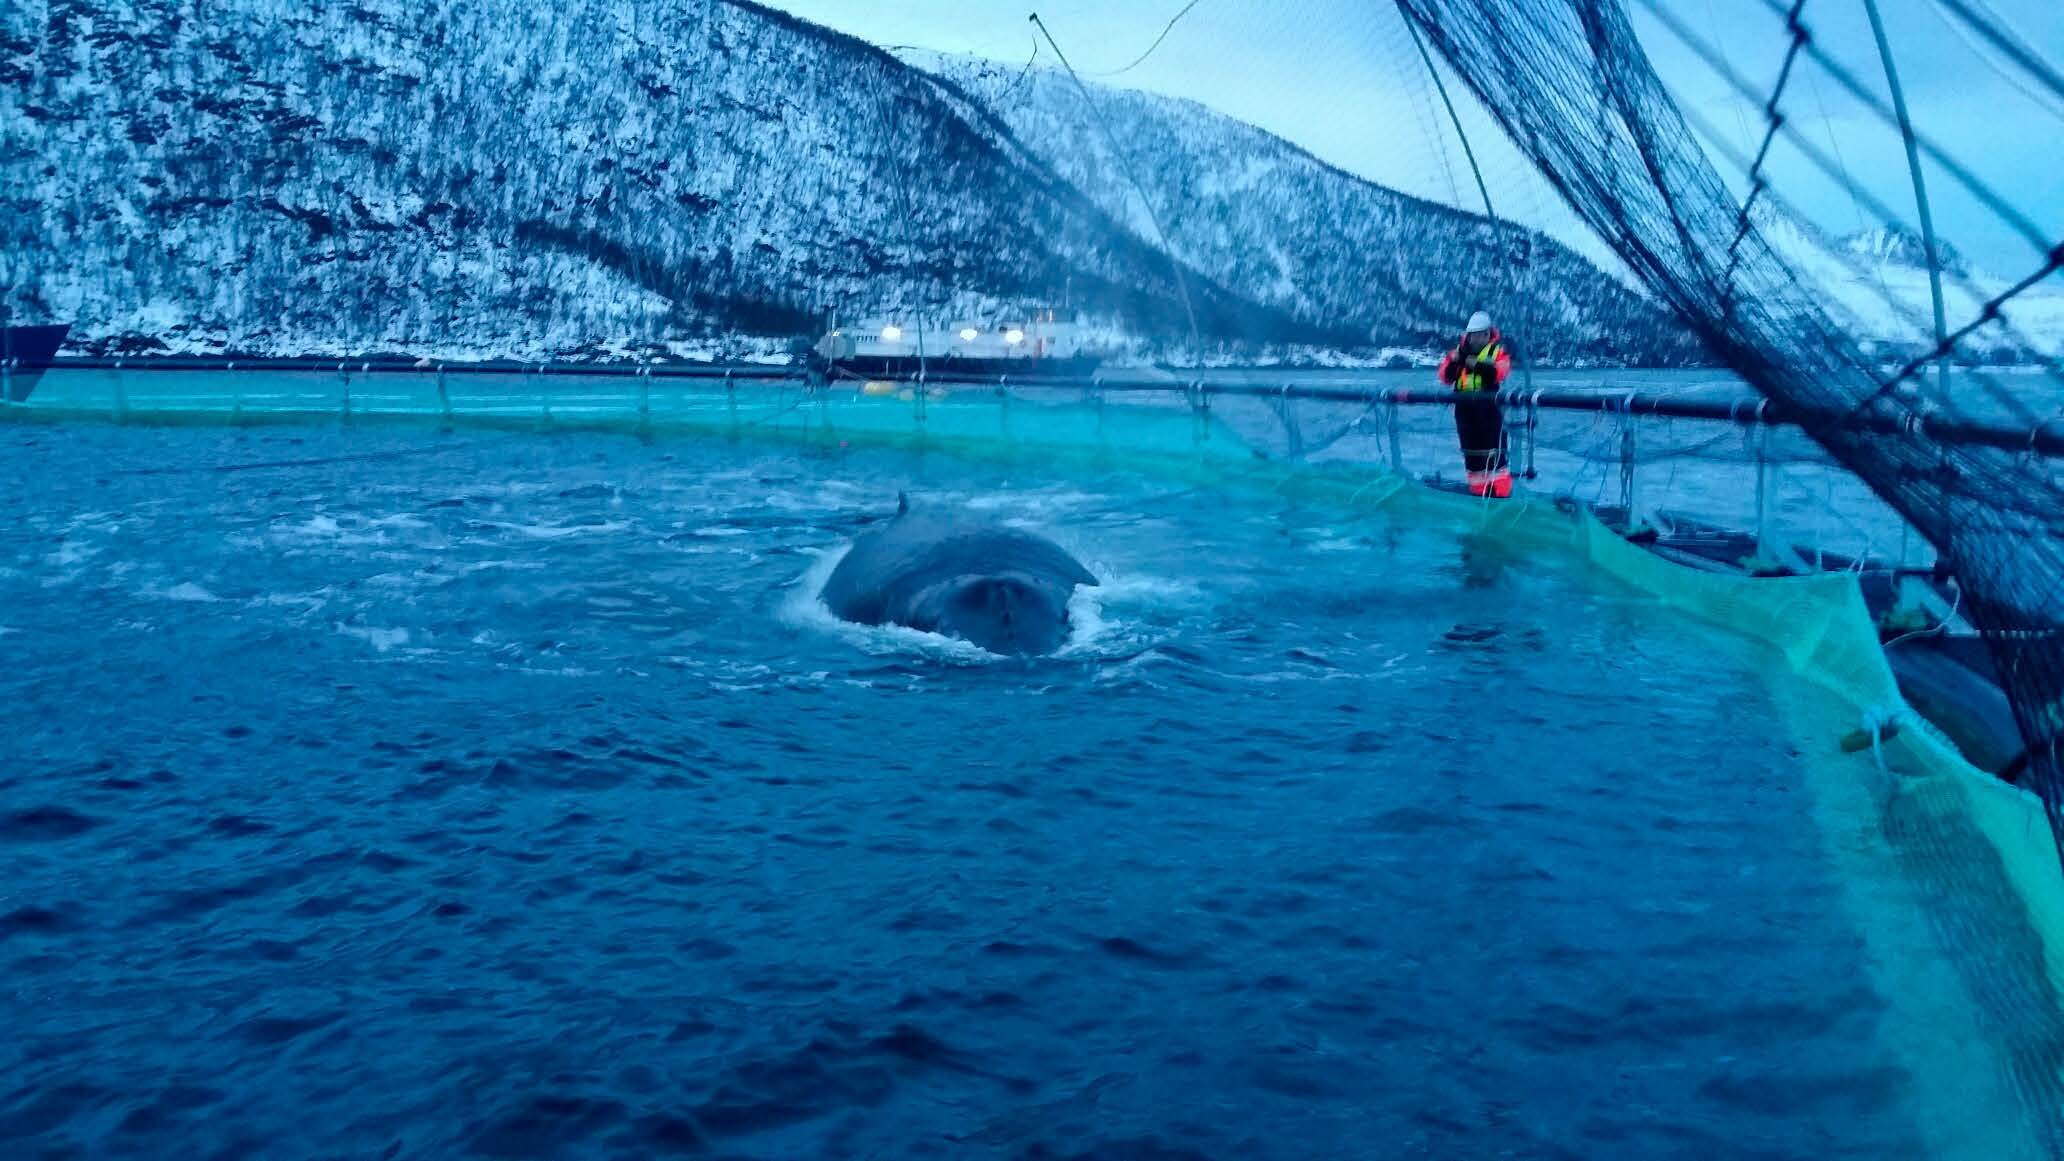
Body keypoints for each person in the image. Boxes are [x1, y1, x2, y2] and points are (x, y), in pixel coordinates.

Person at [1436, 310, 1513, 498]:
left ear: (1488, 334)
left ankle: (1500, 494)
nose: (1478, 339)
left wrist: (1472, 364)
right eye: (1474, 335)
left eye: (1482, 335)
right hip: (1464, 411)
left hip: (1489, 410)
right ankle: (1477, 492)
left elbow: (1498, 372)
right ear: (1468, 335)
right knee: (1471, 454)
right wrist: (1457, 362)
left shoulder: (1498, 353)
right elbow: (1445, 376)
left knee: (1495, 454)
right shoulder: (1456, 353)